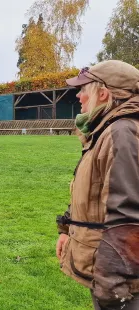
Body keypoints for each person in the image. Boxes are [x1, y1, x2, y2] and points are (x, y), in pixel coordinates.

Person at [56, 60, 139, 310]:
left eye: (84, 90)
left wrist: (112, 284)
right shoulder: (106, 129)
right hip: (105, 267)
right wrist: (66, 229)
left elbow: (128, 215)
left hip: (120, 280)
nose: (79, 96)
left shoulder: (122, 132)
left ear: (103, 93)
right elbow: (92, 191)